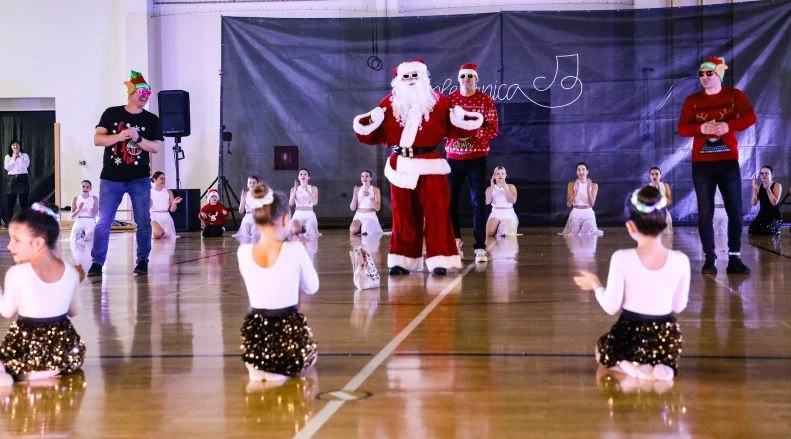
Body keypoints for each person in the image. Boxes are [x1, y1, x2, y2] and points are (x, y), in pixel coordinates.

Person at [353, 58, 483, 275]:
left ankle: (440, 258)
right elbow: (369, 133)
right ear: (399, 79)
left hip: (431, 165)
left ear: (424, 77)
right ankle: (402, 260)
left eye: (415, 75)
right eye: (406, 76)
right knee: (403, 215)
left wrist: (464, 118)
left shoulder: (440, 102)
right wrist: (368, 121)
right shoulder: (388, 103)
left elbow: (462, 126)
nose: (411, 80)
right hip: (401, 167)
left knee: (437, 213)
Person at [574, 186, 690, 381]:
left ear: (630, 226)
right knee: (663, 350)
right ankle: (662, 364)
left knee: (601, 351)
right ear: (664, 224)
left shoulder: (621, 258)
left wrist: (595, 284)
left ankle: (631, 366)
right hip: (666, 336)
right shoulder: (681, 260)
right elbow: (679, 306)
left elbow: (611, 307)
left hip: (630, 334)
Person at [678, 56, 756, 275]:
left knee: (735, 210)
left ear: (718, 74)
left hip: (727, 161)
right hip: (702, 164)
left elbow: (750, 117)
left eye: (708, 73)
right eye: (701, 74)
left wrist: (727, 125)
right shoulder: (692, 100)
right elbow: (683, 128)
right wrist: (701, 129)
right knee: (705, 212)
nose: (703, 77)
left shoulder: (734, 95)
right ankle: (709, 257)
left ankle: (734, 258)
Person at [237, 184, 318, 382]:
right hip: (287, 336)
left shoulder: (243, 253)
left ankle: (261, 369)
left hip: (256, 339)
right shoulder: (294, 249)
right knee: (311, 361)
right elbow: (312, 287)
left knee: (260, 381)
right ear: (284, 219)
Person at [0, 203, 86, 385]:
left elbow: (7, 312)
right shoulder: (71, 272)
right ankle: (50, 368)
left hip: (27, 349)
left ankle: (22, 372)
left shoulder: (17, 274)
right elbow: (74, 311)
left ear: (38, 243)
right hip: (64, 351)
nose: (9, 246)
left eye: (16, 240)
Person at [87, 71, 163, 277]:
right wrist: (120, 135)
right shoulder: (112, 113)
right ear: (131, 93)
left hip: (139, 179)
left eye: (148, 92)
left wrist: (138, 138)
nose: (146, 95)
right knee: (104, 221)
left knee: (143, 220)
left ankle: (142, 261)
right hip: (111, 178)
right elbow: (98, 139)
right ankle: (97, 262)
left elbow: (155, 147)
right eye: (142, 92)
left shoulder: (151, 120)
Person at [445, 63, 500, 263]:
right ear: (458, 78)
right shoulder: (450, 100)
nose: (467, 79)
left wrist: (472, 130)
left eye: (470, 76)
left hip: (477, 159)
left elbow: (493, 129)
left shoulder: (485, 100)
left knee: (478, 202)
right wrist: (455, 133)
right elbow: (443, 126)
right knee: (449, 202)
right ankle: (455, 242)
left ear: (476, 78)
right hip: (453, 158)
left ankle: (479, 247)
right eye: (463, 76)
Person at [561, 162, 603, 236]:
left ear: (587, 172)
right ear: (576, 172)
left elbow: (591, 204)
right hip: (575, 213)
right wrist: (575, 192)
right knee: (574, 232)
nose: (581, 172)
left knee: (584, 232)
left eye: (583, 169)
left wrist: (587, 190)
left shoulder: (594, 185)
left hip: (588, 213)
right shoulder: (571, 184)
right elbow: (568, 204)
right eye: (578, 170)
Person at [748, 166, 782, 236]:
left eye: (766, 173)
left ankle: (775, 230)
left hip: (774, 216)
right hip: (762, 216)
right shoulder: (759, 186)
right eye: (762, 173)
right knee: (752, 229)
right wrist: (755, 190)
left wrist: (768, 189)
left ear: (771, 175)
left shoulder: (777, 185)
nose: (764, 175)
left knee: (767, 231)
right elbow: (753, 203)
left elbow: (774, 203)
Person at [485, 166, 518, 237]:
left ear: (506, 176)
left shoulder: (511, 186)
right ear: (494, 176)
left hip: (508, 213)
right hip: (495, 213)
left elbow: (513, 201)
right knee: (489, 233)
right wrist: (492, 187)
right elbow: (487, 202)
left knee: (505, 232)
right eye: (498, 174)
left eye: (502, 173)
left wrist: (506, 189)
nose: (500, 175)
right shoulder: (489, 188)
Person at [4, 140, 31, 225]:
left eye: (17, 145)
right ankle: (9, 224)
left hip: (23, 179)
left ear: (20, 146)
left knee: (24, 203)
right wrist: (14, 158)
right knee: (10, 204)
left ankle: (25, 223)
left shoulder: (25, 155)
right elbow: (8, 168)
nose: (15, 147)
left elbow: (25, 165)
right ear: (11, 147)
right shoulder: (8, 157)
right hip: (12, 180)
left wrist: (19, 156)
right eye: (13, 145)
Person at [149, 171, 182, 240]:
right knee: (158, 233)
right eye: (161, 178)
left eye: (164, 179)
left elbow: (172, 210)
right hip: (154, 217)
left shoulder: (168, 192)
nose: (163, 180)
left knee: (168, 237)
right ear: (154, 179)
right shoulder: (149, 192)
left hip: (166, 217)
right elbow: (146, 207)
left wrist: (174, 203)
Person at [349, 169, 383, 236]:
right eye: (362, 176)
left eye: (367, 176)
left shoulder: (376, 189)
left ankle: (364, 229)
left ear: (370, 178)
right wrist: (355, 196)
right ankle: (360, 229)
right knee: (353, 229)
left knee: (367, 231)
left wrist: (370, 196)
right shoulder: (357, 189)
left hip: (370, 215)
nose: (364, 178)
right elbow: (352, 208)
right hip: (359, 215)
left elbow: (378, 208)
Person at [289, 168, 320, 237]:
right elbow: (291, 203)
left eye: (305, 174)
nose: (303, 176)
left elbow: (315, 203)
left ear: (308, 177)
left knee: (310, 234)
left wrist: (307, 190)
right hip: (298, 214)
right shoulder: (293, 189)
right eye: (301, 174)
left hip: (309, 214)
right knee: (294, 231)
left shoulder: (313, 188)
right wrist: (294, 190)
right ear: (298, 177)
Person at [648, 167, 674, 235]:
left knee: (667, 240)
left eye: (657, 174)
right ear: (650, 176)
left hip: (664, 215)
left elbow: (669, 202)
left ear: (660, 175)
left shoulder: (665, 186)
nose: (654, 176)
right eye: (652, 174)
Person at [235, 175, 260, 241]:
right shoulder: (245, 194)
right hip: (247, 217)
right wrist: (243, 199)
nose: (251, 185)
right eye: (250, 182)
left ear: (257, 184)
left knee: (255, 236)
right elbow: (241, 211)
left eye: (254, 183)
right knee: (245, 238)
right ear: (247, 184)